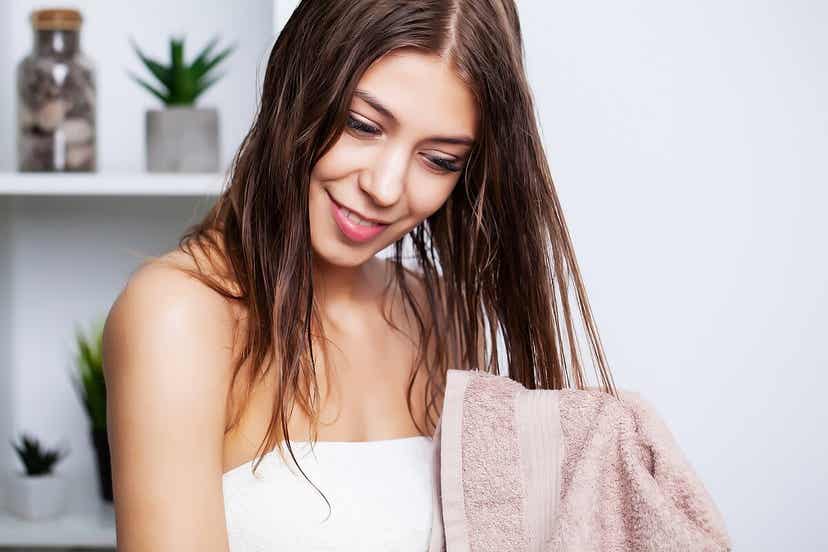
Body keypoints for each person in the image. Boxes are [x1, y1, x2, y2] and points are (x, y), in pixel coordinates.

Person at [102, 0, 617, 550]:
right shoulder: (180, 316)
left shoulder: (446, 317)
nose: (387, 187)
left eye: (440, 159)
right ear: (297, 88)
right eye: (362, 125)